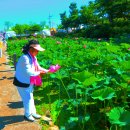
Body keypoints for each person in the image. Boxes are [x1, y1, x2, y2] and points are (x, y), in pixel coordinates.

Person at [13, 39, 49, 122]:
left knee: (31, 97)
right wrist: (39, 73)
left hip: (30, 81)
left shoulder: (33, 57)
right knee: (27, 99)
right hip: (22, 82)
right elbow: (28, 71)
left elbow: (38, 67)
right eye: (37, 50)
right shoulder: (25, 57)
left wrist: (47, 70)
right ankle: (27, 114)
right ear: (31, 49)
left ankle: (33, 113)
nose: (38, 52)